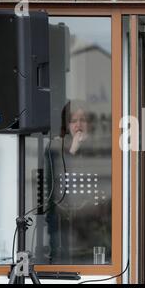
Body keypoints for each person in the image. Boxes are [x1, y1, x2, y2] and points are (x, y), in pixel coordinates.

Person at [45, 99, 111, 265]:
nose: (78, 125)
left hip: (95, 225)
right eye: (73, 121)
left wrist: (90, 146)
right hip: (64, 225)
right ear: (66, 125)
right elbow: (56, 180)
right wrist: (72, 150)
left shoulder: (99, 147)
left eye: (83, 120)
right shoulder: (55, 146)